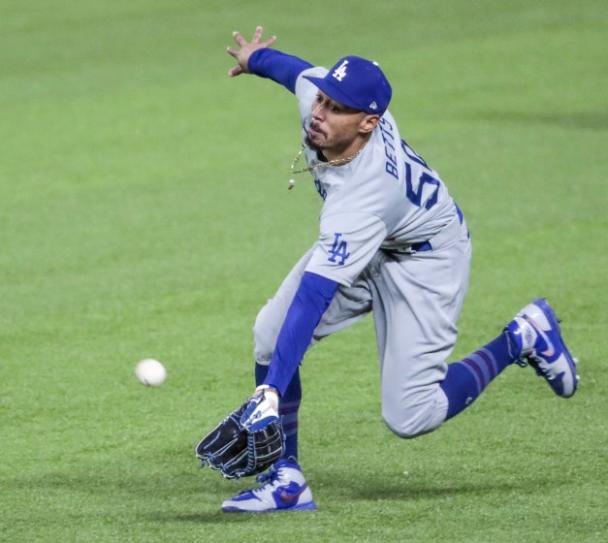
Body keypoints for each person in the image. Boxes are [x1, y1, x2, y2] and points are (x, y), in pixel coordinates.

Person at [217, 26, 579, 513]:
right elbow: (298, 73)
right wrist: (257, 59)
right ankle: (287, 480)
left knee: (411, 415)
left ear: (368, 123)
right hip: (378, 242)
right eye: (322, 101)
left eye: (336, 108)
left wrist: (270, 390)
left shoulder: (365, 196)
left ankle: (522, 337)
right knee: (269, 334)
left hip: (426, 260)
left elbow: (314, 297)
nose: (320, 113)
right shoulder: (325, 105)